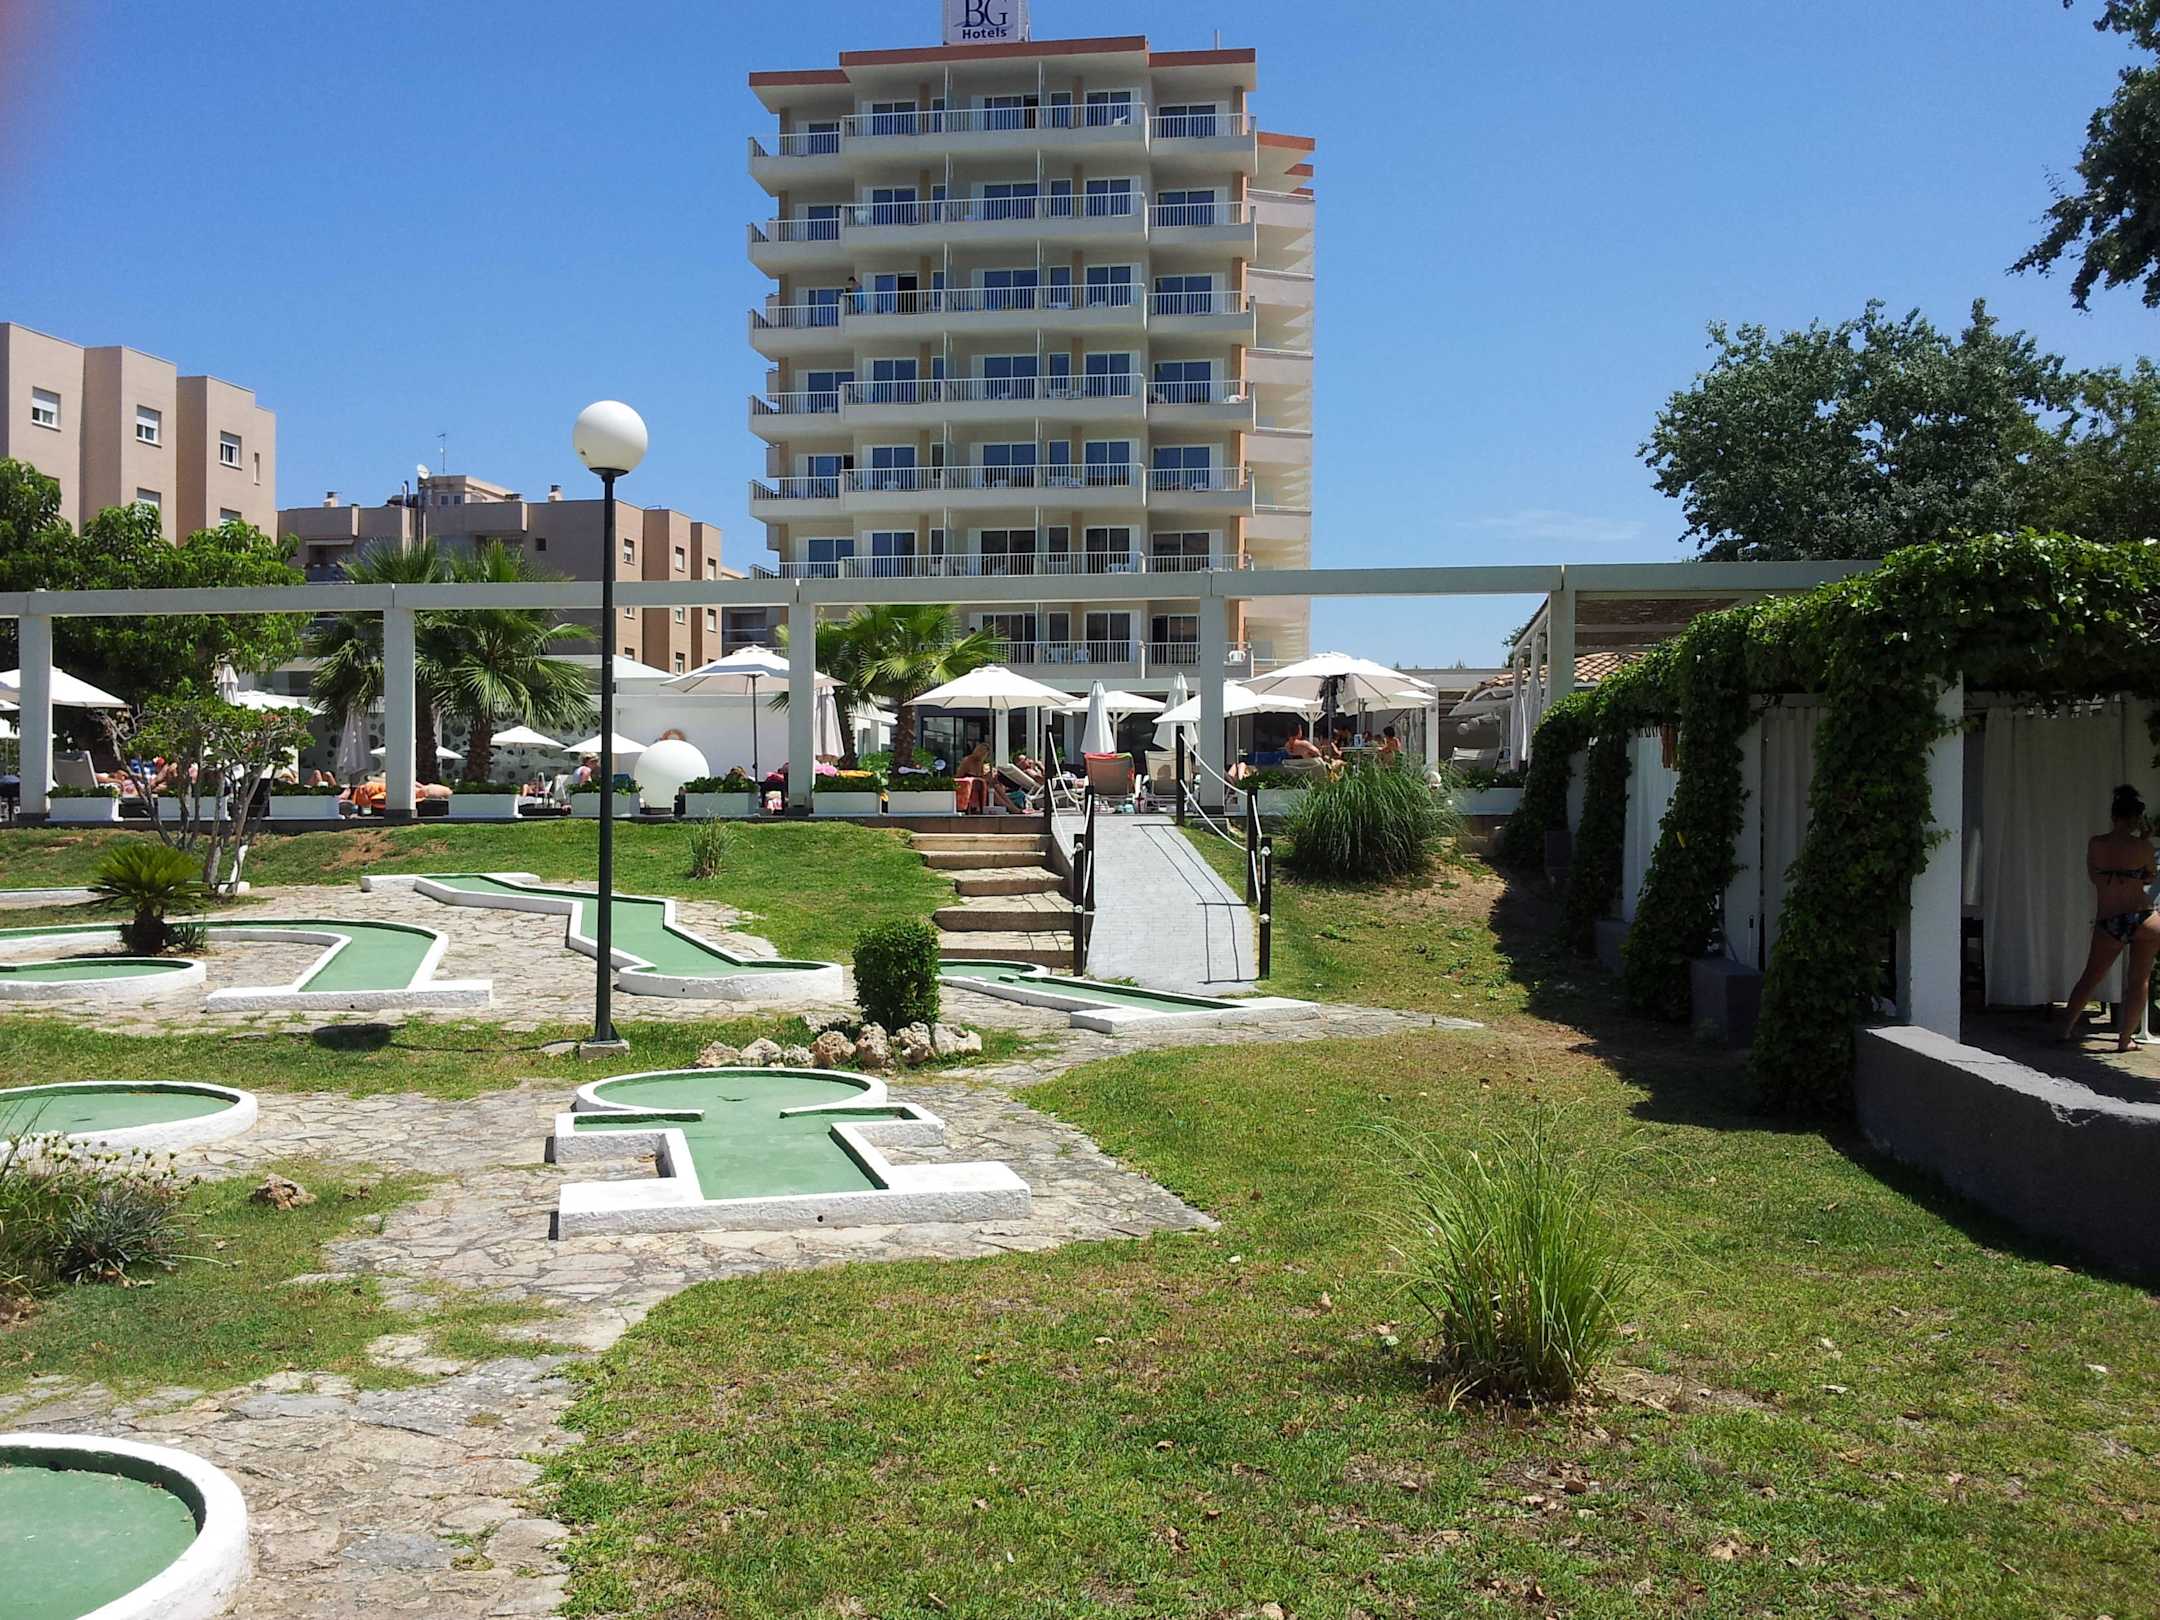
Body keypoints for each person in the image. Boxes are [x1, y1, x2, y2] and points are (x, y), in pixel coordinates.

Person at [2054, 783, 2160, 1052]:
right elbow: (2149, 878)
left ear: (2114, 816)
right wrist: (2143, 841)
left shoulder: (2097, 844)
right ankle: (2125, 1039)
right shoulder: (2144, 847)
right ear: (2136, 819)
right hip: (2144, 917)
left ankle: (2065, 1030)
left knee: (2091, 977)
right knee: (2139, 981)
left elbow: (2095, 878)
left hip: (2111, 917)